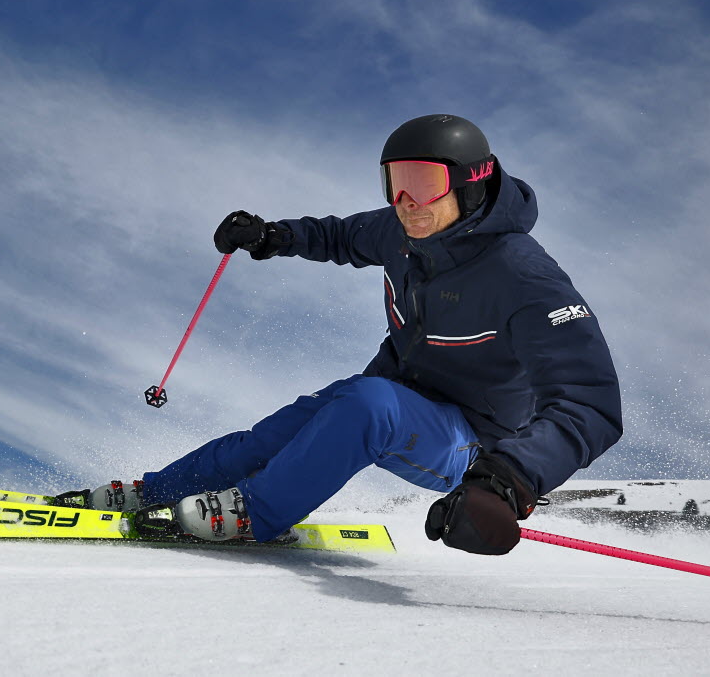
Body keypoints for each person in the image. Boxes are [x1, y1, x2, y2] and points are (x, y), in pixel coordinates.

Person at [71, 114, 622, 553]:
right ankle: (156, 492)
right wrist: (272, 236)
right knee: (282, 431)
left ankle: (255, 515)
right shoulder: (402, 229)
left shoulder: (524, 276)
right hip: (391, 401)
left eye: (424, 183)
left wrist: (508, 478)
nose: (405, 201)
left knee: (365, 401)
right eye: (395, 182)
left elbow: (590, 404)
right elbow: (338, 236)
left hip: (474, 444)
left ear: (472, 185)